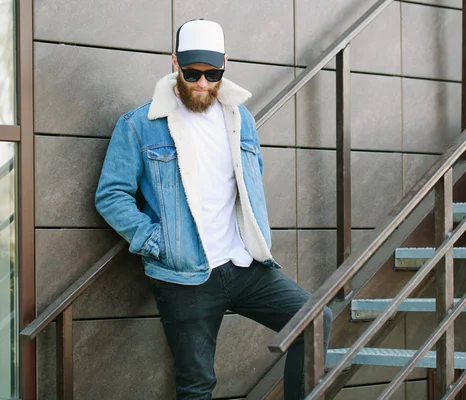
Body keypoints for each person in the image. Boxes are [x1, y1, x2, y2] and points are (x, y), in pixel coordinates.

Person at [95, 19, 332, 400]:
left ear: (225, 64)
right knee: (196, 386)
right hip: (184, 274)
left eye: (212, 73)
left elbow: (251, 179)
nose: (202, 83)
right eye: (192, 73)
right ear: (174, 63)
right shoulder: (140, 125)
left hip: (244, 266)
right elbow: (111, 195)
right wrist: (157, 240)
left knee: (315, 320)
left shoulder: (242, 120)